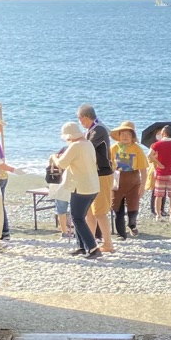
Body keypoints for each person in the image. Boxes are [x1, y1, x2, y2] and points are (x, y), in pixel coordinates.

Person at [49, 122, 103, 260]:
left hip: (81, 187)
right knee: (79, 217)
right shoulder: (88, 144)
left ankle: (93, 248)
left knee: (77, 218)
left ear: (69, 136)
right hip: (92, 186)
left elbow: (61, 164)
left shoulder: (75, 146)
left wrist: (54, 157)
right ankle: (81, 246)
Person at [77, 103, 115, 254]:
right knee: (90, 212)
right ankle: (91, 242)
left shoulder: (98, 129)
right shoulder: (91, 129)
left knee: (100, 211)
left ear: (85, 118)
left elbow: (87, 148)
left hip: (102, 174)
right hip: (93, 174)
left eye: (79, 119)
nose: (80, 122)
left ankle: (108, 244)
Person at [110, 121, 149, 239]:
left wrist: (143, 185)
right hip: (117, 181)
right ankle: (121, 234)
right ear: (119, 135)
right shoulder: (114, 148)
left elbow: (143, 169)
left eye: (128, 134)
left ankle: (132, 225)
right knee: (117, 209)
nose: (125, 136)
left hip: (133, 181)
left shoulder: (137, 149)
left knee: (133, 207)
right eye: (122, 134)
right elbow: (108, 166)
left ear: (133, 136)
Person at [0, 118, 15, 242]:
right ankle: (4, 231)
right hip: (1, 176)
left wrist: (13, 170)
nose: (1, 129)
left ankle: (4, 231)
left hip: (0, 176)